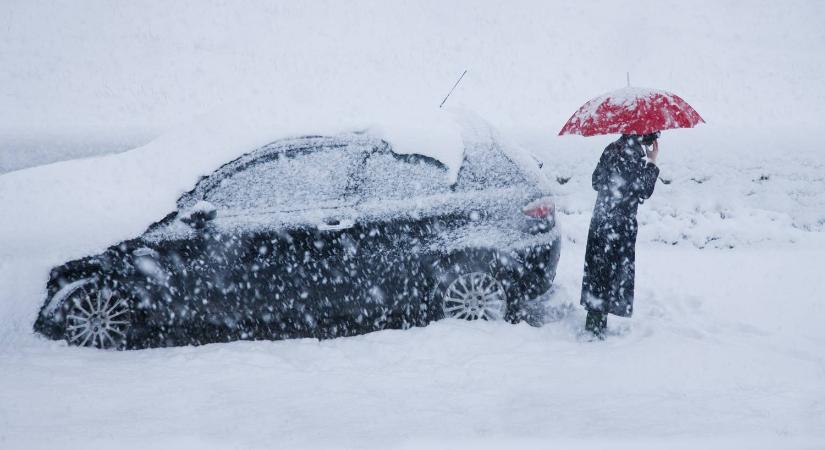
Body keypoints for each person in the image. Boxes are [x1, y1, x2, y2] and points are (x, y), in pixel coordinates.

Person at [581, 131, 660, 339]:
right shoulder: (634, 155)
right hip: (620, 224)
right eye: (652, 135)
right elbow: (643, 190)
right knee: (612, 272)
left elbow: (596, 181)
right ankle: (596, 329)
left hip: (601, 220)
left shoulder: (611, 148)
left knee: (598, 271)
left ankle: (594, 321)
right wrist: (651, 163)